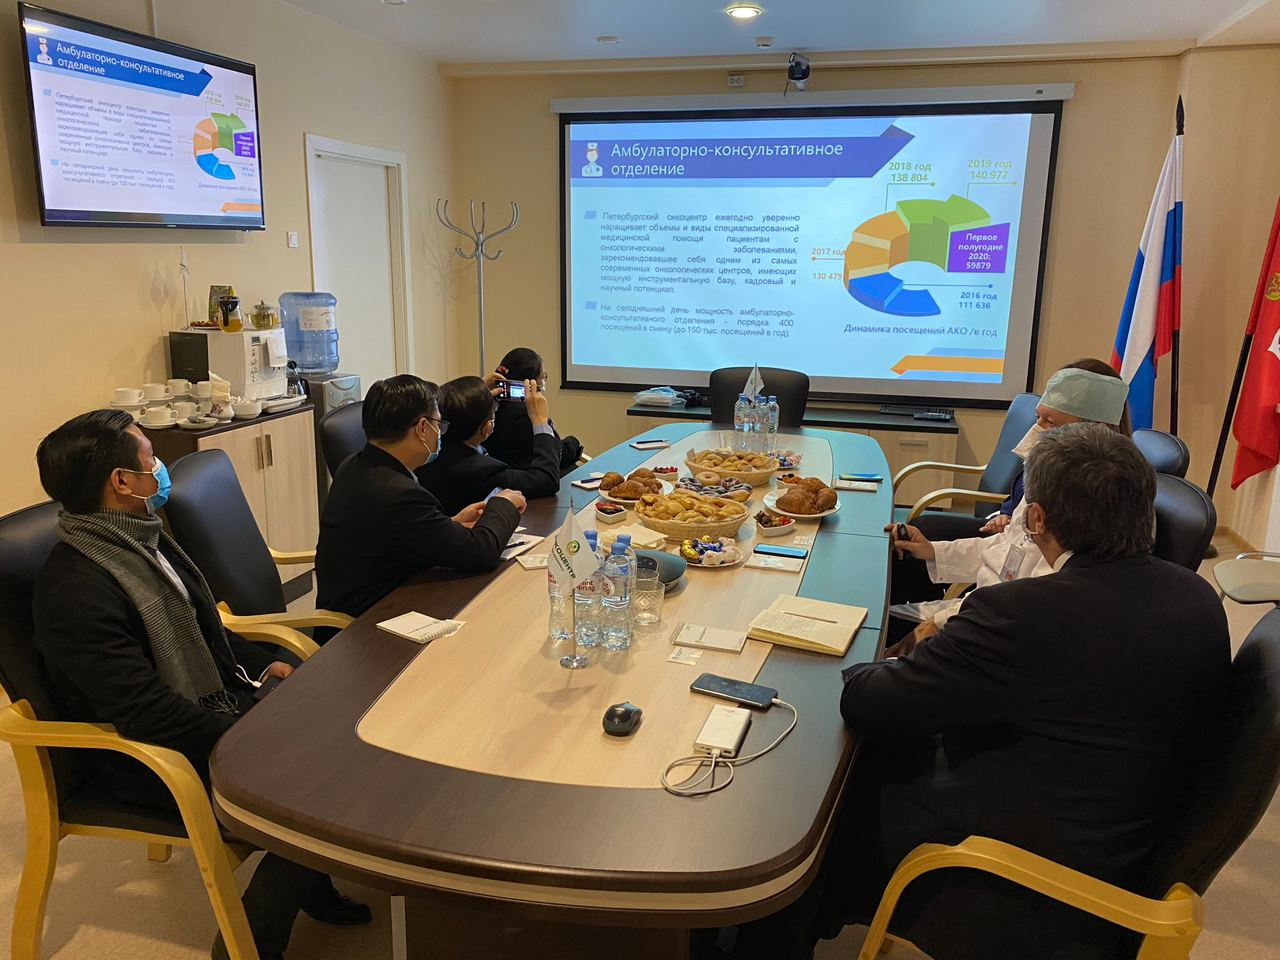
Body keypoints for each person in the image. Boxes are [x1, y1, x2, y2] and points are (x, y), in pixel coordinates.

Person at [730, 423, 1231, 960]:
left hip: (1023, 869)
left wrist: (876, 660)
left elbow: (867, 703)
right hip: (1117, 829)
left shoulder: (1026, 613)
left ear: (1036, 519)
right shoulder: (1197, 597)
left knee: (804, 807)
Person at [32, 410, 370, 960]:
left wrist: (262, 666)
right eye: (150, 459)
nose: (160, 468)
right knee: (322, 776)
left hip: (203, 710)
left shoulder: (142, 538)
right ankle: (251, 941)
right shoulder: (77, 591)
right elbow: (145, 712)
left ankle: (308, 879)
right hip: (143, 755)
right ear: (122, 481)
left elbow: (204, 627)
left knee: (341, 719)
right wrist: (249, 731)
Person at [885, 362, 1130, 651]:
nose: (1036, 431)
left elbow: (1030, 600)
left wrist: (938, 623)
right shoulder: (1051, 481)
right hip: (979, 611)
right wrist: (933, 551)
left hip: (996, 633)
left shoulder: (1090, 511)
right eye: (1038, 418)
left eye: (1051, 423)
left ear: (1096, 430)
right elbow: (1008, 546)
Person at [315, 374, 526, 619]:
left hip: (380, 599)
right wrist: (503, 503)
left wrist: (450, 524)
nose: (440, 433)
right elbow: (480, 552)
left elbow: (396, 536)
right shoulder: (398, 494)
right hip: (366, 625)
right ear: (423, 428)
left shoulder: (355, 464)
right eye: (439, 424)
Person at [416, 374, 561, 515]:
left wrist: (473, 394)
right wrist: (540, 421)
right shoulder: (481, 470)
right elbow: (546, 481)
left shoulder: (426, 453)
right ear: (487, 427)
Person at [484, 347, 583, 474]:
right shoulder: (526, 413)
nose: (544, 382)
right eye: (542, 377)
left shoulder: (488, 405)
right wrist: (573, 442)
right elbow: (557, 455)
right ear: (531, 384)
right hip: (533, 478)